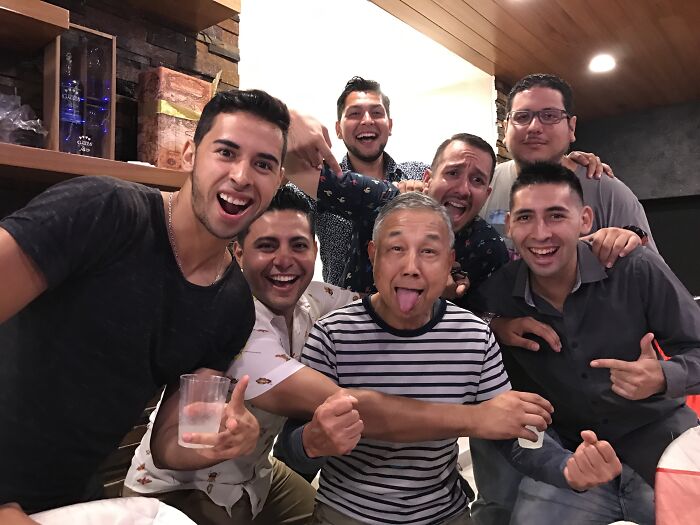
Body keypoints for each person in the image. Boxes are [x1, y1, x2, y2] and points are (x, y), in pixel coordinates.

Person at [0, 89, 292, 514]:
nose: (243, 176)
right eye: (226, 152)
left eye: (263, 164)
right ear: (191, 154)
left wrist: (218, 441)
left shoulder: (232, 305)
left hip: (68, 497)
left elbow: (170, 442)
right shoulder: (104, 211)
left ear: (277, 182)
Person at [282, 192, 622, 525]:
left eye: (429, 251)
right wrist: (311, 442)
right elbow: (290, 447)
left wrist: (566, 467)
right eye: (396, 249)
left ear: (449, 262)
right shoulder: (333, 334)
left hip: (443, 513)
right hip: (348, 512)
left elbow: (511, 433)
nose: (411, 267)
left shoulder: (473, 335)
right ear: (373, 255)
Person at [471, 162, 700, 524]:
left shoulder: (635, 268)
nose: (541, 233)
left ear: (585, 219)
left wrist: (664, 376)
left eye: (557, 215)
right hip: (572, 462)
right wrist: (561, 468)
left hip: (665, 447)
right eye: (527, 217)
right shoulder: (497, 297)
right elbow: (508, 417)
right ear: (510, 225)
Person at [124, 186, 360, 524]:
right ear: (238, 253)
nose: (285, 260)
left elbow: (370, 305)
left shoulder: (312, 297)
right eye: (266, 246)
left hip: (257, 476)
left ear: (315, 251)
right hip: (180, 490)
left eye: (298, 245)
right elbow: (347, 403)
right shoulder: (231, 316)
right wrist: (461, 416)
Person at [288, 132, 509, 299]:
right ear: (428, 179)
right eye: (452, 173)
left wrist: (452, 299)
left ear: (487, 194)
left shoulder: (488, 248)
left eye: (477, 180)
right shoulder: (382, 199)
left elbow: (490, 316)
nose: (463, 189)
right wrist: (292, 125)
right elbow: (300, 170)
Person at [481, 73, 657, 261]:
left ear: (571, 128)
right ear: (506, 128)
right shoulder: (484, 187)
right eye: (522, 117)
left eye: (549, 116)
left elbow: (652, 274)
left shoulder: (609, 192)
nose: (534, 127)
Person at [317, 76, 428, 285]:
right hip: (341, 312)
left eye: (377, 113)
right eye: (354, 113)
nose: (367, 120)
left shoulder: (419, 173)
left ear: (390, 125)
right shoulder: (320, 186)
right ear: (338, 129)